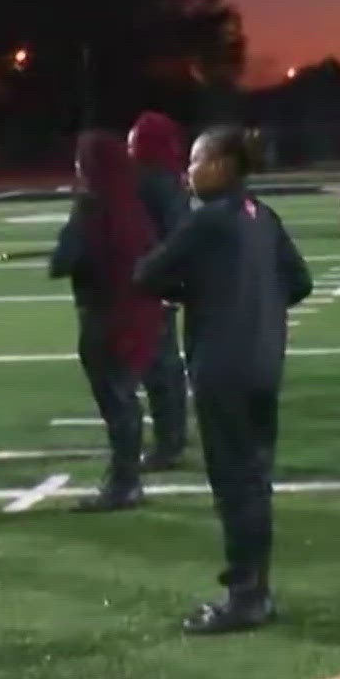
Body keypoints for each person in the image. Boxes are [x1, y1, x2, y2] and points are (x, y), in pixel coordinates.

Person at [135, 125, 312, 634]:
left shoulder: (206, 221)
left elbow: (148, 275)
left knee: (234, 484)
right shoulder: (264, 216)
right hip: (264, 362)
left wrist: (200, 294)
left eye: (195, 160)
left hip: (222, 367)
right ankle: (257, 588)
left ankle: (245, 597)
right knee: (255, 480)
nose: (187, 171)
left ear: (220, 165)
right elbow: (300, 282)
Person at [51, 130, 163, 513]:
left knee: (116, 403)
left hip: (104, 317)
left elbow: (61, 263)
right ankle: (128, 480)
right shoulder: (131, 203)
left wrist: (72, 227)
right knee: (126, 400)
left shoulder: (91, 208)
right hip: (137, 314)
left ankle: (124, 483)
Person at [126, 110, 191, 470]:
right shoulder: (169, 180)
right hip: (164, 280)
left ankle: (168, 442)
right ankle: (172, 437)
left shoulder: (149, 181)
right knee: (164, 364)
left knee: (157, 366)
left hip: (149, 283)